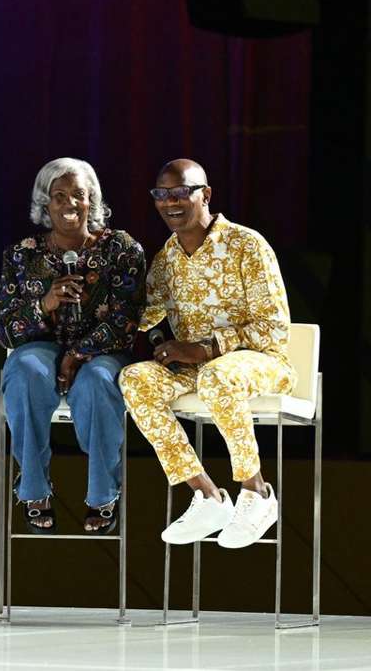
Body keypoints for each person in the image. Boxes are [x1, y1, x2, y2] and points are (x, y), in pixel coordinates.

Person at [119, 159, 294, 548]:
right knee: (135, 379)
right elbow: (143, 316)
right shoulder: (166, 258)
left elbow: (274, 327)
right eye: (161, 195)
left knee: (218, 376)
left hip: (261, 361)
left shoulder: (247, 245)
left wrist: (206, 348)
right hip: (196, 369)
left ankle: (257, 493)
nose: (170, 202)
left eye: (181, 192)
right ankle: (207, 496)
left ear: (206, 195)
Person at [0, 157, 145, 534]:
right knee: (25, 370)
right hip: (42, 348)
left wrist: (78, 355)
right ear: (44, 203)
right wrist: (45, 303)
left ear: (92, 199)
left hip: (102, 351)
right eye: (58, 196)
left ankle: (103, 494)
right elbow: (4, 331)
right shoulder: (22, 254)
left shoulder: (121, 249)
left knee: (97, 382)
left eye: (78, 194)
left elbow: (128, 322)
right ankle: (33, 489)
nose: (69, 204)